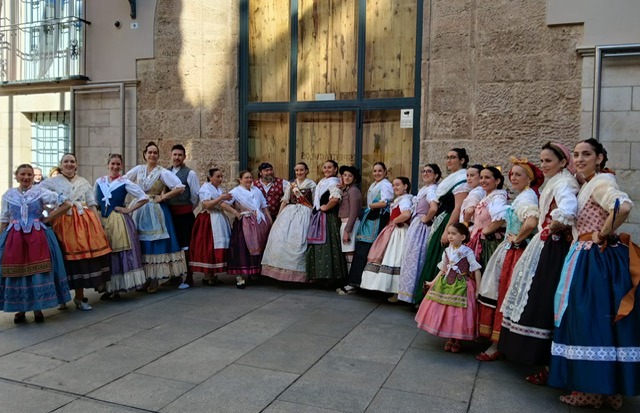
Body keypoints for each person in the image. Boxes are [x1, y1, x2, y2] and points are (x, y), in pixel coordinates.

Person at [549, 139, 638, 409]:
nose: (579, 159)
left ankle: (590, 390)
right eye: (576, 154)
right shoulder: (590, 183)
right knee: (604, 319)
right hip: (596, 258)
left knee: (587, 317)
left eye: (586, 154)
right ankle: (608, 390)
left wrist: (602, 233)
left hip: (593, 258)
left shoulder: (601, 182)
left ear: (599, 158)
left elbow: (623, 206)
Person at [499, 142, 579, 369]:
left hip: (553, 245)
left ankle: (538, 356)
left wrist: (554, 225)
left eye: (548, 161)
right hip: (546, 243)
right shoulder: (556, 181)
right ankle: (526, 352)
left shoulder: (563, 183)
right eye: (542, 160)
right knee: (533, 293)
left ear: (562, 162)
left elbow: (568, 207)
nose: (544, 165)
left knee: (541, 295)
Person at [474, 158, 543, 359]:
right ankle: (498, 341)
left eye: (518, 174)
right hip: (510, 249)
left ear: (529, 179)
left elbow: (531, 222)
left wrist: (517, 239)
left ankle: (498, 343)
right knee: (499, 293)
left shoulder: (527, 197)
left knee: (503, 294)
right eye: (512, 174)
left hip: (515, 252)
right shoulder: (523, 196)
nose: (513, 178)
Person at [1, 164, 72, 323]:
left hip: (37, 237)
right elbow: (4, 219)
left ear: (33, 177)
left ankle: (37, 308)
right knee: (18, 271)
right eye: (22, 174)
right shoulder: (8, 195)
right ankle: (20, 309)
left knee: (38, 271)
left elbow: (67, 204)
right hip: (15, 238)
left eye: (29, 174)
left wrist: (48, 218)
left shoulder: (40, 192)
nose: (26, 177)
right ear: (16, 176)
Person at [41, 154, 112, 310]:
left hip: (83, 223)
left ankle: (79, 297)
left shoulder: (83, 181)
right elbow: (38, 197)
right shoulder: (52, 182)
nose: (69, 164)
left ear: (76, 164)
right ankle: (62, 298)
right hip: (62, 222)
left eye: (72, 161)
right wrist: (50, 211)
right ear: (61, 165)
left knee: (81, 261)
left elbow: (92, 204)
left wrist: (98, 225)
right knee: (62, 260)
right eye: (66, 161)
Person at [125, 142, 187, 293]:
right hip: (138, 208)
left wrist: (164, 196)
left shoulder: (162, 172)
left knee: (155, 242)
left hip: (155, 209)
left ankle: (155, 278)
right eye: (150, 152)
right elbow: (123, 181)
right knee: (140, 242)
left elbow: (180, 187)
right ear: (145, 154)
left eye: (155, 153)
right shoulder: (138, 169)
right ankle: (144, 278)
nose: (152, 155)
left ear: (158, 156)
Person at [415, 222, 482, 353]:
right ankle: (450, 338)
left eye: (453, 234)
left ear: (462, 237)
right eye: (449, 233)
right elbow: (443, 269)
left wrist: (478, 289)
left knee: (459, 312)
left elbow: (476, 270)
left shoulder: (467, 252)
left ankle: (458, 340)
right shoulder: (447, 251)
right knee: (447, 311)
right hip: (446, 283)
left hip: (462, 284)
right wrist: (432, 282)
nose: (450, 236)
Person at [414, 148, 470, 304]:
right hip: (441, 220)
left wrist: (447, 231)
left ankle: (433, 301)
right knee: (433, 257)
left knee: (440, 259)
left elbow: (458, 208)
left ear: (462, 160)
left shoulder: (462, 179)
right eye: (447, 157)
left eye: (453, 157)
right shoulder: (452, 178)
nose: (449, 160)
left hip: (448, 222)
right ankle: (426, 301)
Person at [95, 154, 148, 300]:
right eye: (112, 164)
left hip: (118, 221)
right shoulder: (99, 181)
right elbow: (95, 201)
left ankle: (116, 288)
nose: (115, 167)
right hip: (103, 220)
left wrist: (128, 209)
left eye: (118, 164)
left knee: (117, 253)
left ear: (122, 166)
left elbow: (143, 197)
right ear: (108, 165)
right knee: (105, 253)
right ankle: (107, 287)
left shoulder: (124, 182)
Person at [340, 162, 393, 294]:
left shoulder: (385, 184)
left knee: (366, 250)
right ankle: (357, 282)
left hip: (377, 219)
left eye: (380, 171)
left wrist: (372, 206)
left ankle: (356, 283)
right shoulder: (374, 184)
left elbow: (385, 202)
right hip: (370, 219)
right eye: (375, 171)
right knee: (363, 250)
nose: (377, 173)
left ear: (385, 172)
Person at [469, 167, 508, 341]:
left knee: (485, 282)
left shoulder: (498, 197)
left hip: (488, 245)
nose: (483, 181)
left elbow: (500, 218)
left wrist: (485, 231)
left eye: (487, 178)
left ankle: (486, 329)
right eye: (482, 177)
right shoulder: (488, 197)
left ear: (497, 181)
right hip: (479, 242)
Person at [360, 177, 413, 301]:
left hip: (400, 233)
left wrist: (395, 221)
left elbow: (406, 214)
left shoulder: (405, 200)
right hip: (395, 231)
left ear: (405, 186)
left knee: (396, 258)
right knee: (391, 258)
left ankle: (397, 292)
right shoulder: (400, 199)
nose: (395, 187)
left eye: (398, 185)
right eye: (393, 185)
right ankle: (393, 291)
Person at [262, 162, 316, 282]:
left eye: (301, 170)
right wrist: (279, 216)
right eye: (297, 170)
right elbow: (285, 200)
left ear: (306, 171)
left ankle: (300, 274)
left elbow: (315, 201)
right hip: (289, 213)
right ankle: (280, 273)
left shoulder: (312, 184)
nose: (299, 172)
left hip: (305, 213)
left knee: (300, 241)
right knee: (280, 239)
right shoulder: (291, 184)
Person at [397, 164, 441, 304]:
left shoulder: (432, 189)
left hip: (422, 228)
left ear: (436, 175)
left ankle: (415, 296)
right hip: (416, 226)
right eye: (423, 171)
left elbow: (433, 208)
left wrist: (426, 219)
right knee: (412, 259)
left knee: (416, 259)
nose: (425, 173)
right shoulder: (424, 189)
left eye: (429, 171)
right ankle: (409, 295)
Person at [225, 170, 272, 287]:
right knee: (242, 249)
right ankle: (239, 276)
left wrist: (269, 220)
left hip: (259, 222)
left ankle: (253, 273)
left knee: (259, 247)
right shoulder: (235, 191)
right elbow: (223, 204)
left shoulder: (256, 190)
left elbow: (264, 206)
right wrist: (236, 212)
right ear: (240, 179)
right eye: (246, 178)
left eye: (250, 177)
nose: (249, 180)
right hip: (244, 223)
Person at [306, 160, 347, 285]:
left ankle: (329, 277)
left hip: (328, 218)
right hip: (319, 216)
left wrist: (326, 207)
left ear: (335, 169)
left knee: (327, 246)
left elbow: (335, 199)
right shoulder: (323, 181)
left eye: (330, 167)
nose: (327, 170)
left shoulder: (334, 182)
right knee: (317, 246)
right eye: (325, 167)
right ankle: (318, 275)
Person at [189, 168, 233, 285]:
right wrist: (221, 198)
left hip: (219, 218)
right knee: (208, 246)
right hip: (208, 219)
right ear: (210, 177)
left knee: (215, 246)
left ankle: (213, 275)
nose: (220, 179)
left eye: (221, 176)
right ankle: (207, 276)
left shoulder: (218, 189)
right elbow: (207, 204)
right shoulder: (205, 188)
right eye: (218, 176)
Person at [166, 144, 200, 289]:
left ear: (184, 157)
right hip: (170, 214)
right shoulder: (166, 172)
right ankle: (175, 276)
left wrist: (188, 207)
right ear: (171, 155)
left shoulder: (190, 173)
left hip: (185, 214)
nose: (177, 157)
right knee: (173, 245)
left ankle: (189, 277)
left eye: (180, 155)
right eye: (175, 155)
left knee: (186, 246)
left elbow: (195, 195)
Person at [337, 165, 362, 275]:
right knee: (347, 253)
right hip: (345, 223)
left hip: (351, 224)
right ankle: (349, 278)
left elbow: (353, 212)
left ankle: (351, 279)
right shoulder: (347, 190)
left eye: (350, 176)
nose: (346, 178)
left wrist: (347, 230)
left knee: (350, 252)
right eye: (345, 175)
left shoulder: (354, 191)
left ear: (354, 178)